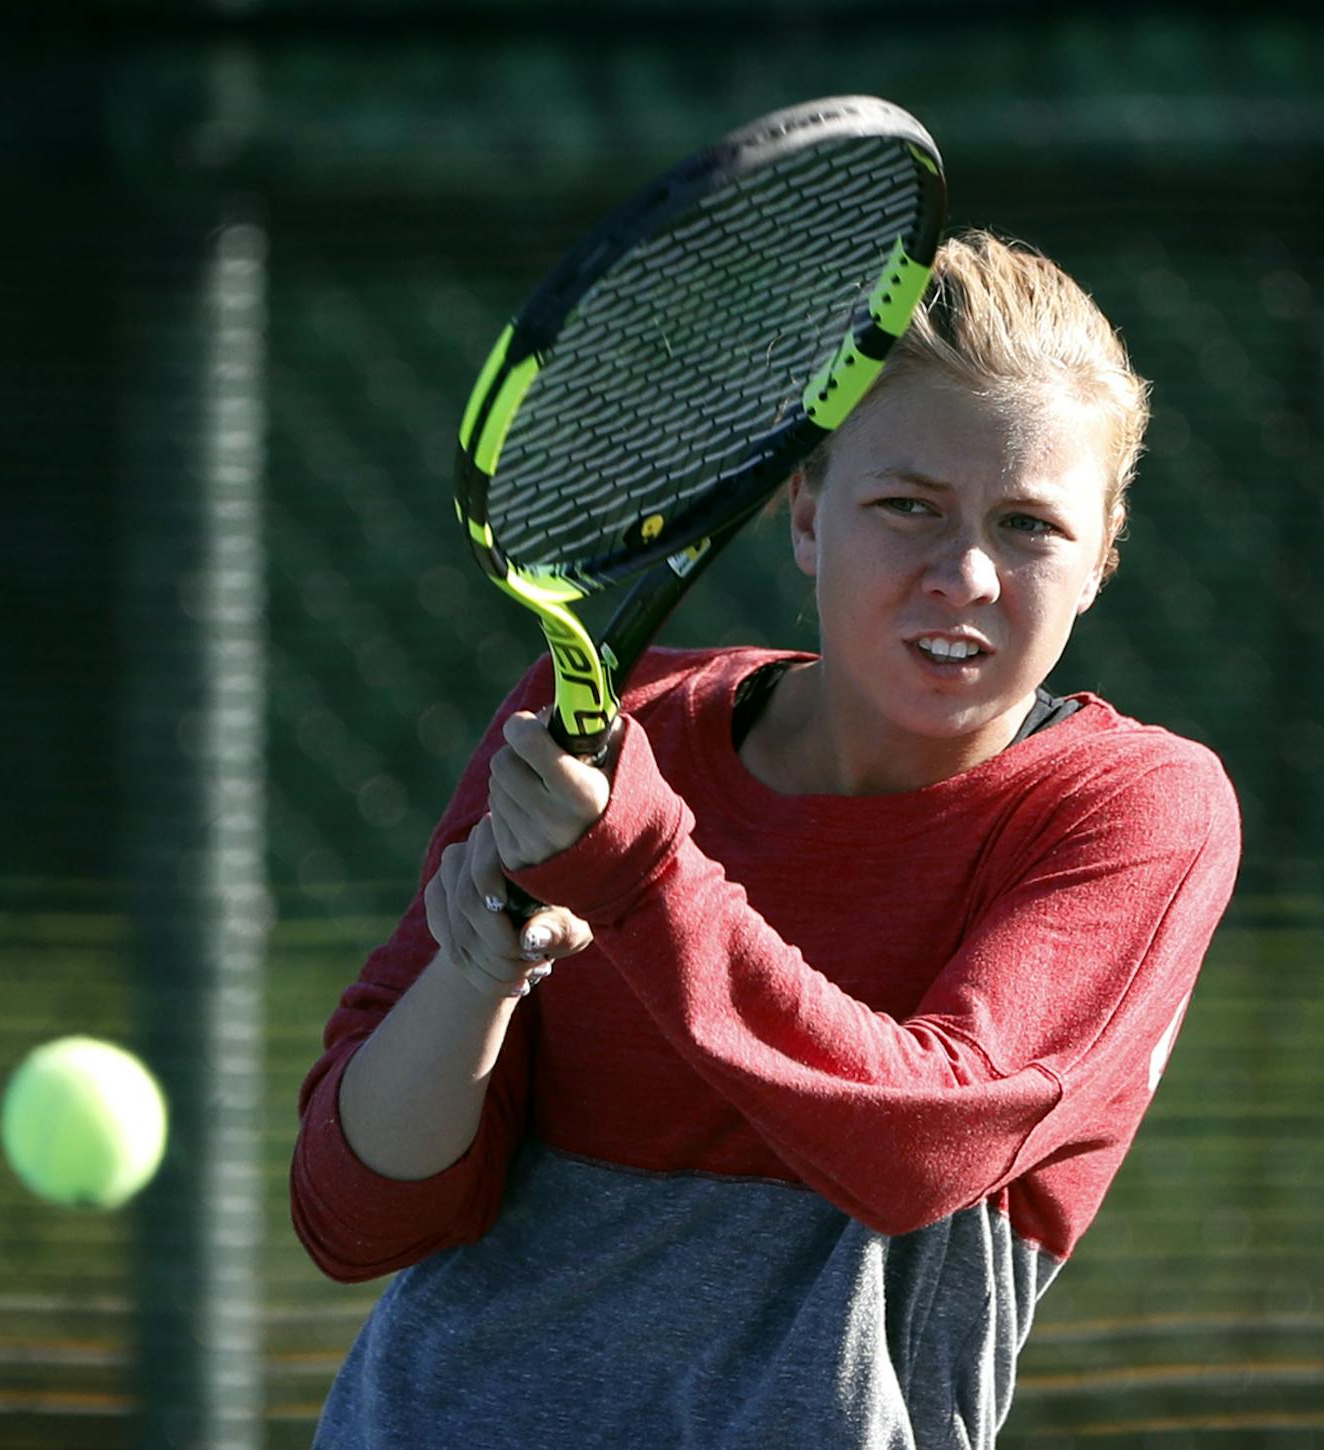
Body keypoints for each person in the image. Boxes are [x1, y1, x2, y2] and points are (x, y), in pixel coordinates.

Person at [290, 230, 1242, 1449]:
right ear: (806, 513)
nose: (965, 573)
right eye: (907, 505)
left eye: (1027, 527)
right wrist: (477, 972)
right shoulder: (607, 726)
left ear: (1103, 556)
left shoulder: (1133, 810)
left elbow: (920, 1144)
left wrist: (638, 873)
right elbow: (353, 1213)